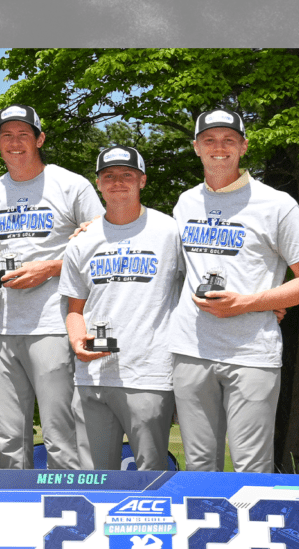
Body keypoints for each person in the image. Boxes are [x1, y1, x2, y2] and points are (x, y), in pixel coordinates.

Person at [0, 105, 105, 549]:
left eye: (22, 133)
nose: (14, 141)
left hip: (54, 324)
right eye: (5, 134)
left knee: (61, 438)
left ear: (39, 138)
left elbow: (101, 243)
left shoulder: (71, 186)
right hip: (2, 326)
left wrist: (50, 267)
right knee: (10, 443)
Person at [169, 109, 299, 472]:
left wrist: (251, 302)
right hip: (190, 349)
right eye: (209, 139)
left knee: (251, 465)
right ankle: (206, 531)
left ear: (243, 146)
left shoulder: (277, 204)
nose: (218, 147)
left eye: (228, 140)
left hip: (252, 353)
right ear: (195, 147)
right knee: (199, 464)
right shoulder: (184, 202)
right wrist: (97, 225)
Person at [59, 146, 183, 471]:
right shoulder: (81, 242)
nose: (118, 182)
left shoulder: (170, 231)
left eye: (127, 174)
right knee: (94, 478)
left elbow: (199, 285)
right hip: (92, 375)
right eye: (108, 175)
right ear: (98, 183)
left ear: (142, 180)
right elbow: (74, 308)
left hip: (148, 373)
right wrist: (77, 344)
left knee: (150, 476)